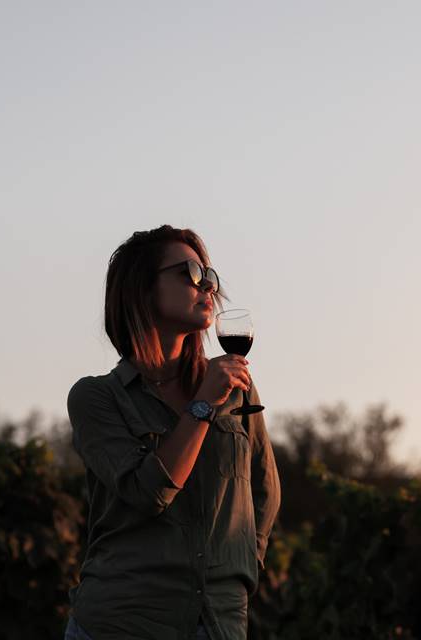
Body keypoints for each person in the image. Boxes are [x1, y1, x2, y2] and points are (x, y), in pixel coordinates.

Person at [63, 225, 281, 640]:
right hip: (122, 623)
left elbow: (264, 490)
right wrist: (203, 405)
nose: (207, 286)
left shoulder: (237, 389)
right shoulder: (97, 398)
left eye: (210, 276)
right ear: (143, 290)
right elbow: (150, 492)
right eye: (190, 274)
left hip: (218, 625)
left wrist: (238, 574)